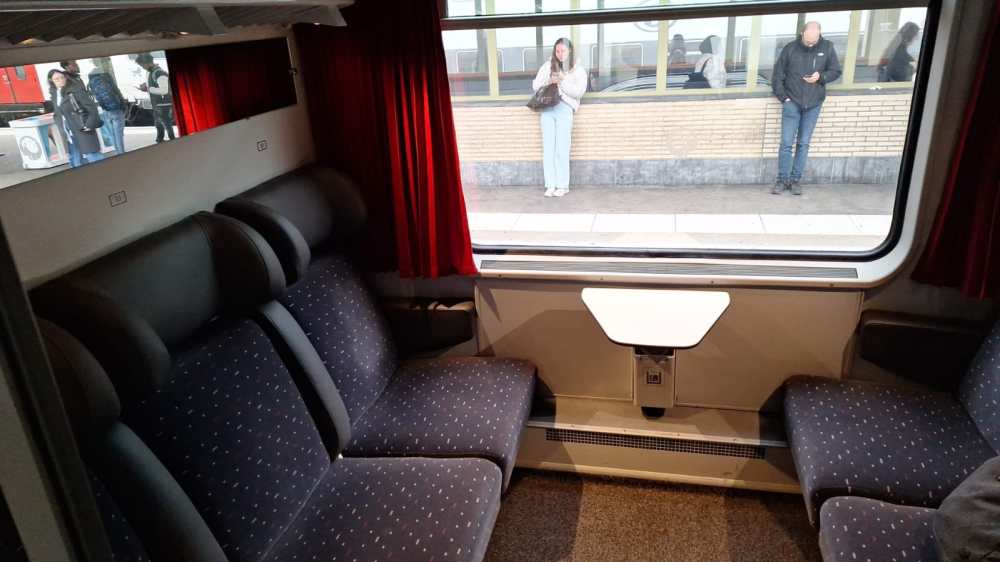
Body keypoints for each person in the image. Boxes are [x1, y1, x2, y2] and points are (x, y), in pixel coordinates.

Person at [771, 21, 841, 195]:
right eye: (809, 40)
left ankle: (795, 180)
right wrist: (784, 98)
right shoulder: (790, 49)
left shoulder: (828, 47)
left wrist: (821, 76)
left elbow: (835, 71)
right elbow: (777, 75)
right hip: (791, 102)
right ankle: (782, 180)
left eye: (815, 40)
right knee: (786, 143)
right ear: (803, 33)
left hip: (813, 103)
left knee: (803, 143)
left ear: (819, 34)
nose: (811, 43)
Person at [531, 37, 587, 198]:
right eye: (557, 50)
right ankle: (550, 184)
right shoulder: (547, 66)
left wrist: (562, 81)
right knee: (548, 148)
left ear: (570, 51)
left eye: (563, 50)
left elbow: (578, 93)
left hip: (564, 109)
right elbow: (535, 86)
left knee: (562, 148)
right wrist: (549, 80)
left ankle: (563, 185)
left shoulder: (578, 69)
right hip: (548, 108)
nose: (560, 54)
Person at [48, 69, 105, 167]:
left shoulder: (76, 90)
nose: (60, 80)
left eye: (62, 77)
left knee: (93, 155)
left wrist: (89, 124)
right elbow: (57, 113)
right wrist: (59, 125)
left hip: (82, 128)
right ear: (51, 82)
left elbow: (92, 108)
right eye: (57, 79)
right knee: (75, 159)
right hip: (68, 132)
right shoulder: (55, 94)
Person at [88, 58, 128, 155]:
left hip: (106, 109)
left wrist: (105, 106)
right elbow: (112, 92)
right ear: (101, 63)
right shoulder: (104, 75)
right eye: (106, 62)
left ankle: (119, 152)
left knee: (113, 133)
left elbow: (97, 94)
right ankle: (121, 153)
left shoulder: (92, 78)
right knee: (118, 133)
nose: (109, 64)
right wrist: (120, 104)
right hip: (115, 108)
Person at [135, 53, 176, 143]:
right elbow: (156, 85)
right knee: (160, 123)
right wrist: (146, 85)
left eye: (142, 65)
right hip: (158, 103)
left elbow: (164, 90)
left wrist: (148, 89)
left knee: (165, 123)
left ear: (148, 63)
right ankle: (161, 139)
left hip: (163, 104)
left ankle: (170, 139)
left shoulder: (159, 73)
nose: (142, 67)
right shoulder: (151, 72)